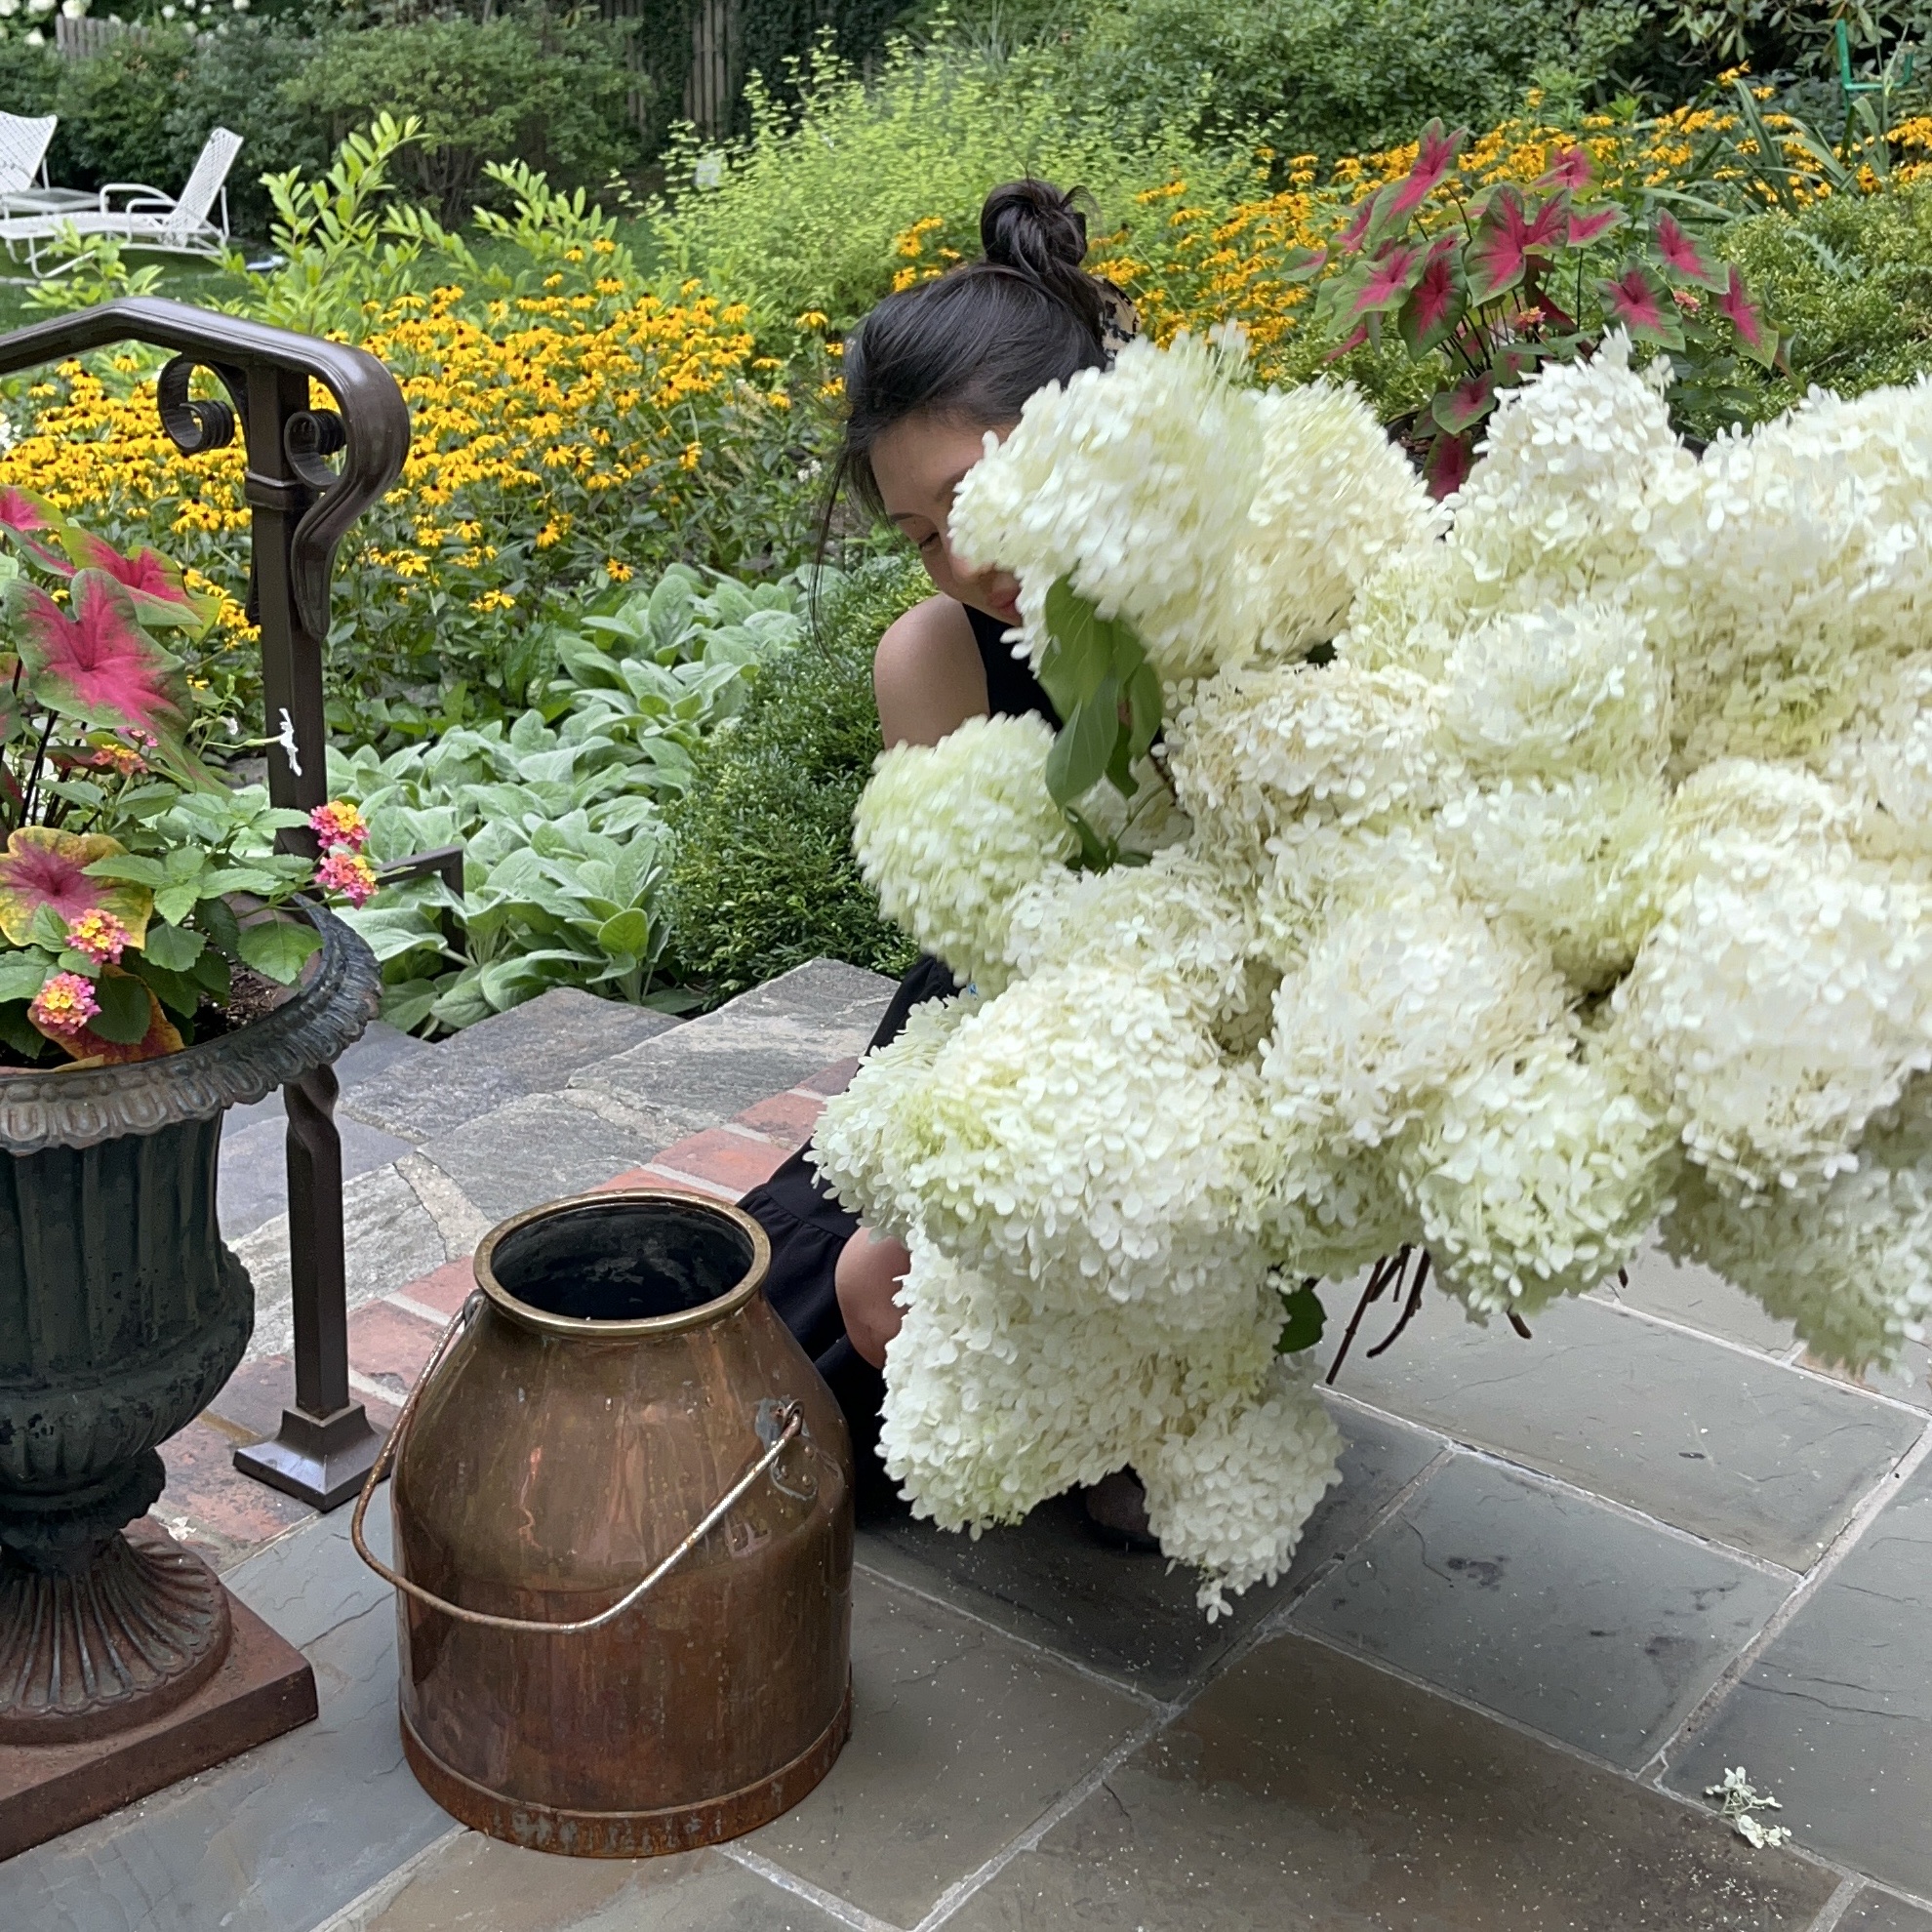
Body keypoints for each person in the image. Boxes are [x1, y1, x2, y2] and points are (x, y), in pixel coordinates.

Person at [737, 179, 1150, 1538]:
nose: (960, 557)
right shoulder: (934, 657)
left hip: (1194, 1056)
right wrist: (920, 1213)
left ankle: (1150, 1388)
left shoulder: (1232, 605)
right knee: (783, 1359)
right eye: (920, 534)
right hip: (1000, 1036)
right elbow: (982, 968)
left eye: (969, 497)